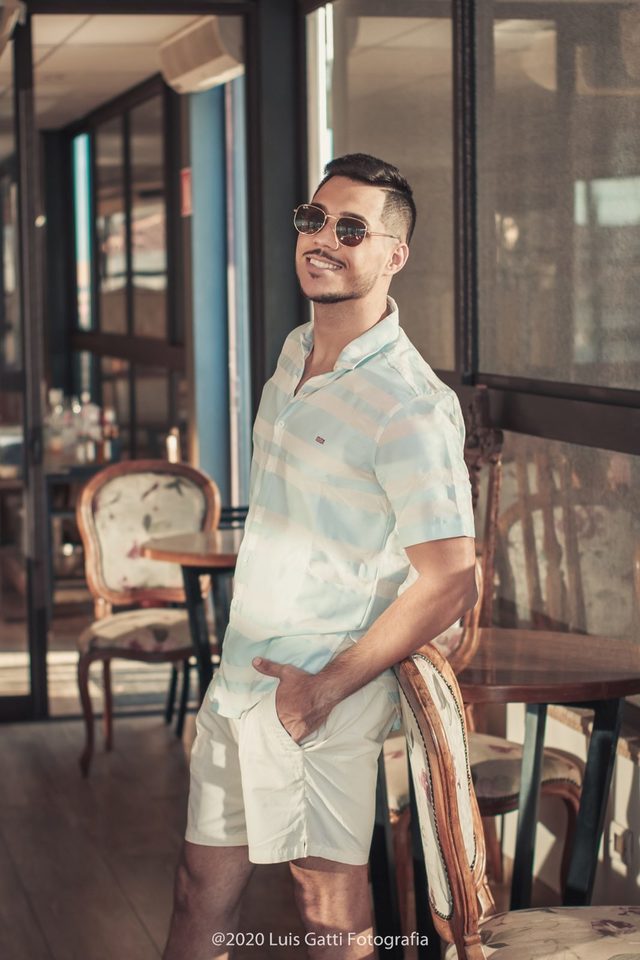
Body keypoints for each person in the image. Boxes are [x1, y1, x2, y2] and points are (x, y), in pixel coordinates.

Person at [163, 153, 477, 960]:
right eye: (314, 219)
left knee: (327, 913)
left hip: (319, 694)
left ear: (394, 255)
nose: (323, 239)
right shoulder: (293, 355)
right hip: (241, 679)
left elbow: (451, 580)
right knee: (197, 889)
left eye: (351, 229)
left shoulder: (410, 403)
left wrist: (323, 690)